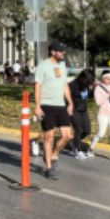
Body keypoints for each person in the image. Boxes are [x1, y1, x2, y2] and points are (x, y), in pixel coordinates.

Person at [34, 41, 74, 178]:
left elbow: (65, 85)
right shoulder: (42, 66)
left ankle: (53, 154)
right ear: (53, 52)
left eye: (64, 51)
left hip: (60, 105)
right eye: (61, 51)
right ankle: (48, 168)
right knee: (48, 137)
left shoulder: (62, 66)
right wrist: (37, 106)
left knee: (67, 135)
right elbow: (37, 86)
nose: (64, 53)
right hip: (46, 105)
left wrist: (70, 103)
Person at [90, 71, 110, 162]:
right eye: (108, 78)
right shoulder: (98, 88)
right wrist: (108, 95)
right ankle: (90, 149)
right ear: (103, 78)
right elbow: (98, 102)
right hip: (103, 114)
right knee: (101, 133)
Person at [68, 68, 95, 159]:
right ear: (84, 78)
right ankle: (77, 150)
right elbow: (67, 97)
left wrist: (93, 88)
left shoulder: (86, 85)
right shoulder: (72, 85)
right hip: (74, 110)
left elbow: (89, 96)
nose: (90, 83)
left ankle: (74, 141)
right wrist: (69, 107)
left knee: (87, 130)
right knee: (78, 130)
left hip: (83, 110)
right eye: (89, 81)